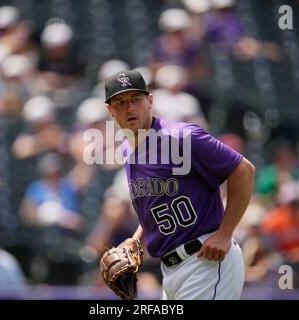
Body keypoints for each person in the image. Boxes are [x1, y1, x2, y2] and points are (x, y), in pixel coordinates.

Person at [102, 70, 255, 300]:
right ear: (110, 110)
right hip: (171, 271)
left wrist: (225, 233)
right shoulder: (128, 149)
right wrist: (136, 239)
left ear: (150, 101)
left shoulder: (181, 137)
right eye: (120, 102)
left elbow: (243, 170)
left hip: (207, 260)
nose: (129, 107)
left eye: (136, 99)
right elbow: (155, 204)